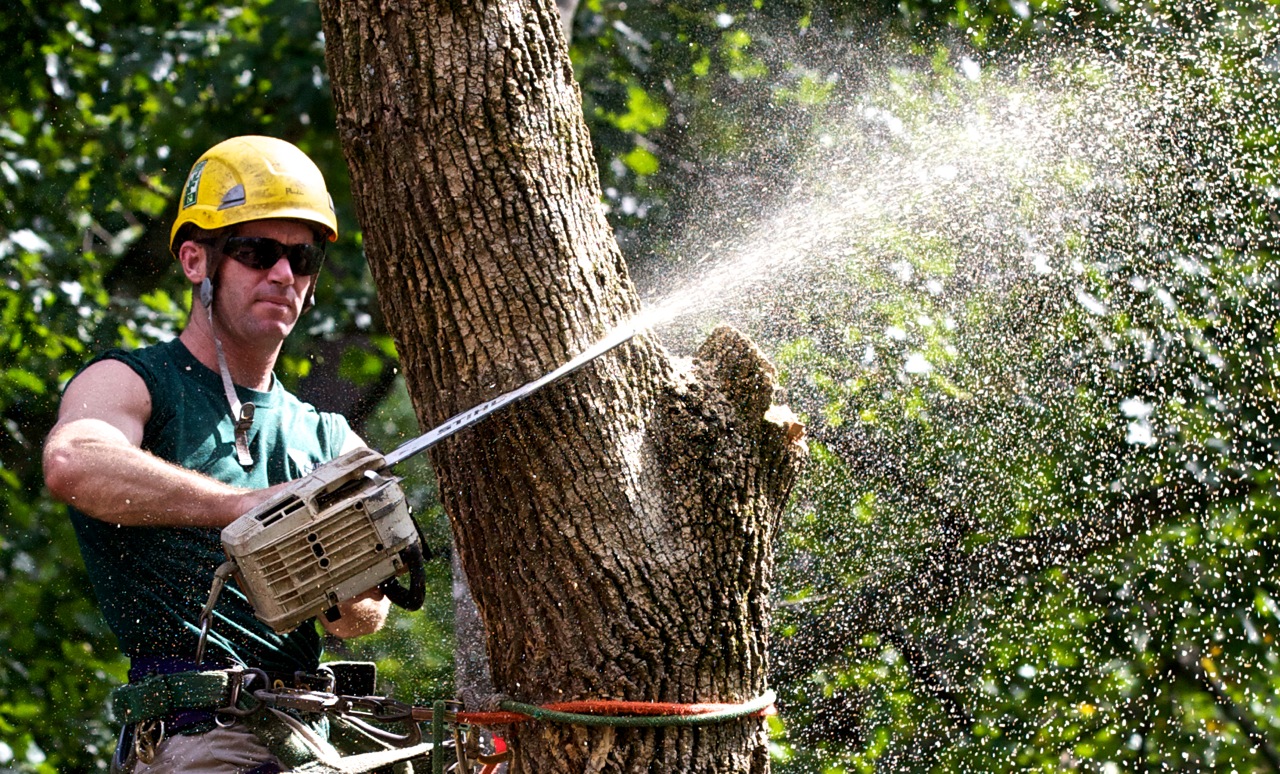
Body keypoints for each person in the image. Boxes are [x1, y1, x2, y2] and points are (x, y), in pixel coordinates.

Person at [43, 136, 392, 772]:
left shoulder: (329, 438)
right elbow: (75, 462)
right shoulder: (134, 381)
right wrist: (246, 506)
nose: (283, 274)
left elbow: (364, 618)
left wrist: (332, 565)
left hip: (308, 736)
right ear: (197, 259)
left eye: (302, 256)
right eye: (257, 252)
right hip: (195, 736)